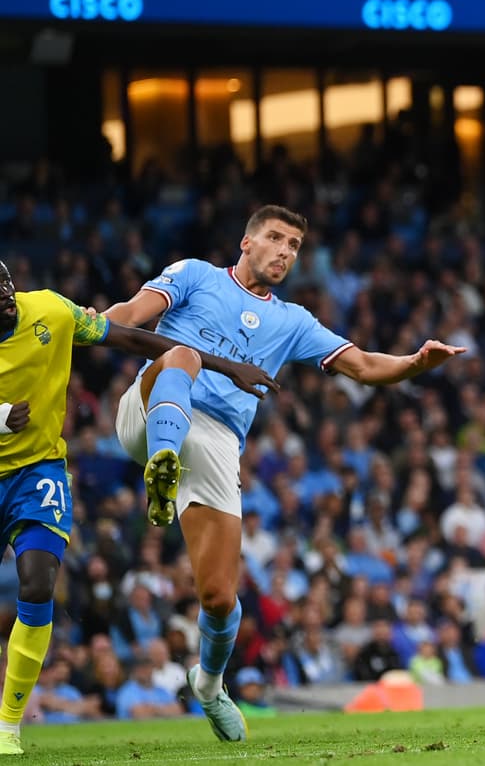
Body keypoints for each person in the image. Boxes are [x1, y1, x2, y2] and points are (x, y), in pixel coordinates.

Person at [102, 205, 465, 743]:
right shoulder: (196, 275)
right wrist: (91, 322)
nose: (284, 252)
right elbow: (132, 310)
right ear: (246, 243)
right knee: (181, 355)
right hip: (154, 406)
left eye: (294, 245)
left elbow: (363, 365)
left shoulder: (293, 321)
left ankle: (207, 682)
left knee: (220, 597)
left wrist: (414, 363)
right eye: (275, 238)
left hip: (219, 442)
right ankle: (163, 461)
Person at [0, 259, 273, 755]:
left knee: (39, 583)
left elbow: (131, 338)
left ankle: (7, 726)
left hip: (36, 472)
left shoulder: (50, 311)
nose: (3, 293)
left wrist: (220, 364)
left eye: (5, 282)